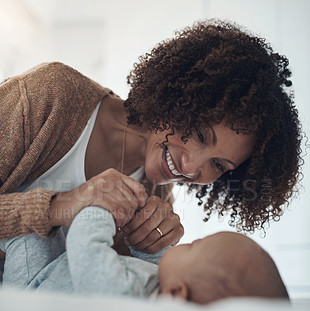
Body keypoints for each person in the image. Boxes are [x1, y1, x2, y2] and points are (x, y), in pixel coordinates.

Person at [0, 19, 302, 259]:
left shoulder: (155, 197)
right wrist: (61, 206)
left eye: (219, 165)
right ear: (180, 94)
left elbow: (86, 283)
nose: (191, 167)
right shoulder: (52, 95)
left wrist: (145, 248)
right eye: (198, 134)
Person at [0, 204, 288, 304]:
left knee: (31, 230)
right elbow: (152, 263)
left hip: (32, 286)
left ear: (177, 294)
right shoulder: (162, 289)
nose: (187, 243)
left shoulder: (125, 298)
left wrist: (100, 209)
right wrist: (145, 239)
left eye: (194, 245)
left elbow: (86, 249)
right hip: (57, 270)